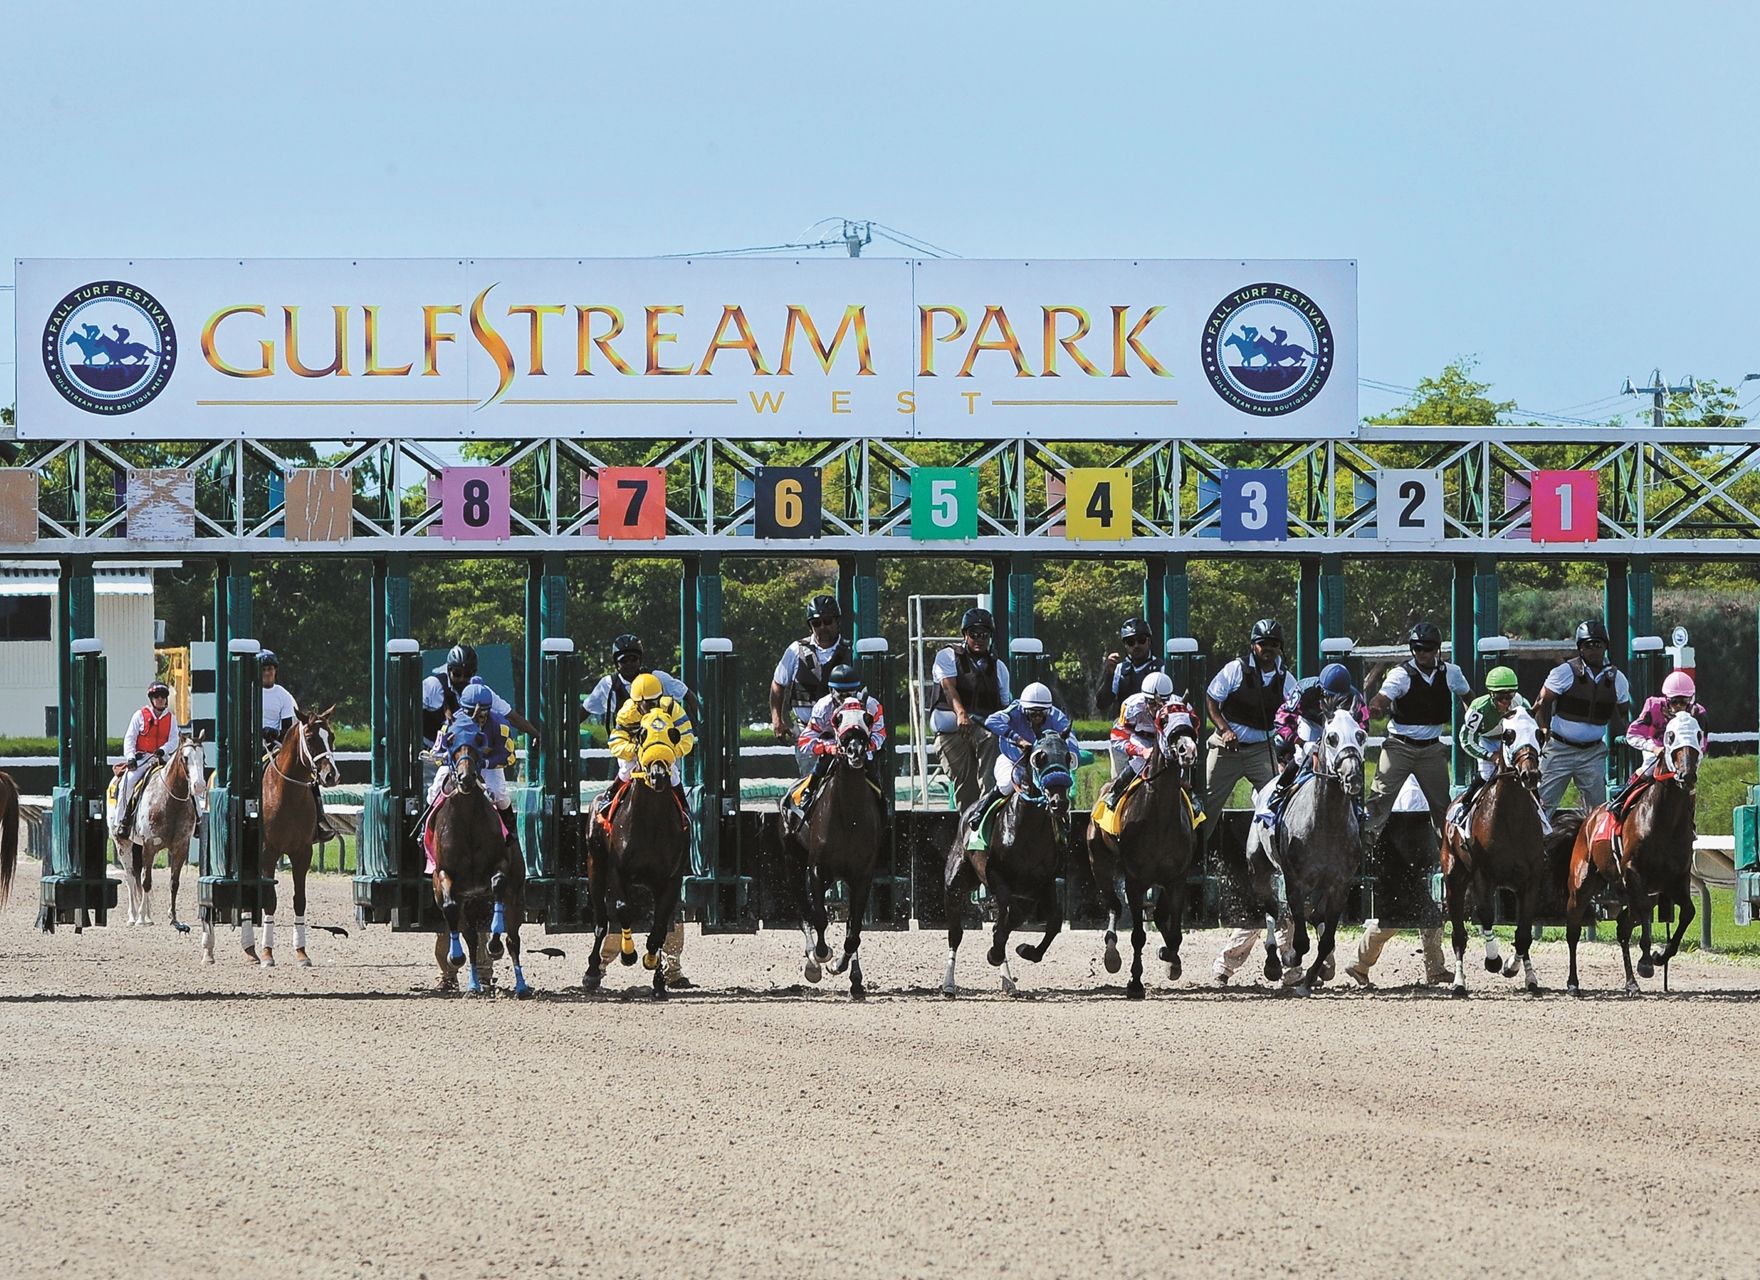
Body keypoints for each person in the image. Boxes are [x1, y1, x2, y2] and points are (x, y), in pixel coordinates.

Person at [1352, 621, 1468, 988]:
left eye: (1430, 650)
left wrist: (1478, 716)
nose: (1425, 655)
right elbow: (1384, 698)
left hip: (1432, 747)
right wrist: (1376, 706)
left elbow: (1468, 698)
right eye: (1419, 650)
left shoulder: (1451, 672)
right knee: (1379, 800)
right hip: (1400, 746)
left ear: (1437, 650)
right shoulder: (1400, 675)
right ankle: (1359, 845)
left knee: (1444, 808)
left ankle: (1452, 852)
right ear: (1413, 651)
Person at [1204, 619, 1297, 985]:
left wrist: (1285, 744)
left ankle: (1282, 849)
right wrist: (1223, 729)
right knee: (1206, 808)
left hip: (1261, 749)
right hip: (1226, 748)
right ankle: (1193, 857)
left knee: (1277, 800)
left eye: (1274, 643)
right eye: (1263, 643)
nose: (1269, 648)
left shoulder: (1285, 677)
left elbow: (1293, 710)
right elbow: (1212, 700)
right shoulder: (1234, 670)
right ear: (1253, 645)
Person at [1533, 618, 1631, 819]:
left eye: (1598, 644)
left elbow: (1625, 714)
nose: (1593, 650)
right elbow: (1541, 702)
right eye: (1588, 645)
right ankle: (1534, 846)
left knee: (1599, 810)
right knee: (1542, 804)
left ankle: (1596, 849)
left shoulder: (1617, 679)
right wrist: (1544, 728)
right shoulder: (1564, 673)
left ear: (1605, 647)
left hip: (1592, 753)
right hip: (1559, 749)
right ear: (1580, 648)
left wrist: (1637, 737)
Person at [1251, 662, 1367, 828]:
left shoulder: (1355, 698)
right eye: (1329, 695)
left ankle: (1357, 806)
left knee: (1349, 762)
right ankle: (1276, 798)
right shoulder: (1304, 690)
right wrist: (1301, 742)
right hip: (1311, 724)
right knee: (1301, 759)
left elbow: (1363, 725)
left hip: (1340, 727)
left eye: (1340, 696)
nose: (1334, 700)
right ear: (1321, 688)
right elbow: (1281, 718)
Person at [965, 683, 1080, 846]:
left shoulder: (1057, 715)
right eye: (1033, 713)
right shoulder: (1015, 709)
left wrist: (1069, 754)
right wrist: (1018, 739)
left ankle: (1064, 831)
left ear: (1048, 709)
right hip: (1012, 761)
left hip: (1041, 768)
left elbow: (1072, 740)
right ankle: (980, 812)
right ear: (1024, 708)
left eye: (1042, 713)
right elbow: (992, 721)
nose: (1038, 717)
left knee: (1056, 792)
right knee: (1006, 784)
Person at [784, 663, 888, 832]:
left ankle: (884, 816)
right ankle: (807, 797)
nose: (847, 698)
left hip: (861, 752)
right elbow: (804, 741)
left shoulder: (871, 705)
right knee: (820, 768)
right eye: (842, 694)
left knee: (878, 791)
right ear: (832, 691)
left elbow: (880, 734)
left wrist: (867, 746)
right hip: (833, 751)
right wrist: (829, 748)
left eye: (852, 693)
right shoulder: (823, 707)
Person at [929, 607, 1013, 814]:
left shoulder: (999, 668)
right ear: (965, 635)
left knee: (991, 739)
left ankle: (987, 808)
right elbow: (948, 688)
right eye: (973, 634)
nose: (978, 639)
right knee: (966, 787)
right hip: (952, 731)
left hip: (983, 729)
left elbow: (1005, 707)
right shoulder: (947, 656)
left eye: (983, 634)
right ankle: (968, 821)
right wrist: (961, 714)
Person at [427, 682, 522, 864]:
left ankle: (510, 830)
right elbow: (438, 751)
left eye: (483, 714)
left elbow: (508, 757)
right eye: (473, 714)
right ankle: (427, 828)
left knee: (499, 792)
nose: (479, 719)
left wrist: (486, 761)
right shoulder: (451, 723)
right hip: (460, 764)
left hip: (488, 766)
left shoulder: (500, 725)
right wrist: (443, 758)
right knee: (436, 787)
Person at [1447, 665, 1537, 831]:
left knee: (1526, 772)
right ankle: (1465, 806)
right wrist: (1490, 756)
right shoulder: (1478, 709)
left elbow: (1529, 729)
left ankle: (1540, 812)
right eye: (1500, 696)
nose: (1506, 701)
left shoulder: (1521, 703)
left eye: (1510, 695)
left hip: (1510, 740)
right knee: (1487, 774)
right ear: (1490, 694)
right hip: (1487, 740)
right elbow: (1466, 739)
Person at [769, 595, 852, 777]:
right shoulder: (795, 651)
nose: (822, 627)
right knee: (809, 782)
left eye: (827, 621)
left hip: (845, 733)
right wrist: (777, 720)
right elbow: (778, 683)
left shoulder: (851, 652)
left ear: (837, 622)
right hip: (807, 731)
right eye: (816, 623)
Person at [259, 651, 336, 842]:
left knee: (308, 776)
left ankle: (319, 821)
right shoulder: (248, 692)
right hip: (253, 744)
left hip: (277, 745)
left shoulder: (283, 695)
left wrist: (274, 733)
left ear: (275, 671)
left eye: (270, 669)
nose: (268, 673)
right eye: (264, 669)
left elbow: (287, 727)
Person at [1611, 670, 1704, 812]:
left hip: (1683, 753)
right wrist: (1653, 748)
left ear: (1690, 699)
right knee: (1648, 768)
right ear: (1667, 698)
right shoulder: (1653, 705)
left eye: (1684, 701)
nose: (1679, 706)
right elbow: (1632, 735)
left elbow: (1703, 742)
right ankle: (1621, 800)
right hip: (1657, 750)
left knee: (1689, 776)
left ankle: (1691, 818)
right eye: (1674, 701)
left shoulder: (1699, 713)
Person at [1102, 671, 1195, 808]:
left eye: (1163, 702)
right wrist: (1141, 751)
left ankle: (1192, 797)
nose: (1157, 707)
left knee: (1176, 764)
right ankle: (1116, 791)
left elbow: (1190, 731)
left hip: (1166, 739)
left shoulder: (1181, 707)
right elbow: (1118, 736)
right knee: (1142, 760)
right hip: (1140, 738)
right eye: (1152, 703)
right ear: (1144, 699)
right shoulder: (1131, 706)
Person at [583, 633, 700, 740]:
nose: (629, 664)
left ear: (640, 660)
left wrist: (701, 726)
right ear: (616, 664)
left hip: (661, 744)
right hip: (628, 749)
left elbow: (688, 695)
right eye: (624, 660)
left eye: (633, 659)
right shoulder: (608, 684)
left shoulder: (658, 678)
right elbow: (585, 709)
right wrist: (566, 727)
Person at [113, 681, 180, 839]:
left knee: (186, 784)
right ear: (151, 699)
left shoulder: (172, 718)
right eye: (156, 696)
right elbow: (130, 738)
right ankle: (121, 821)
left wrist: (163, 749)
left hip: (162, 759)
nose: (160, 699)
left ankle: (196, 820)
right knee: (127, 783)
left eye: (163, 696)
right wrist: (130, 757)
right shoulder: (139, 715)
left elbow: (174, 740)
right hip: (142, 759)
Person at [1100, 618, 1164, 718]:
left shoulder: (1161, 668)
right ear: (1125, 645)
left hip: (1152, 729)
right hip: (1125, 729)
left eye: (1141, 640)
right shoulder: (1119, 669)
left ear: (1149, 641)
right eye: (1131, 642)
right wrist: (1109, 675)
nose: (1136, 645)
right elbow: (1102, 704)